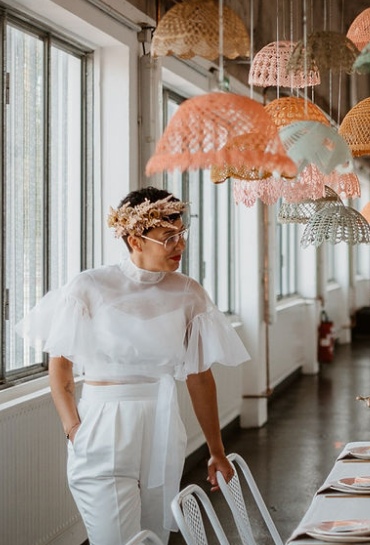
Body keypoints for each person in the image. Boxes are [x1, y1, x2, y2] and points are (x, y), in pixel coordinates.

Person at [16, 187, 250, 545]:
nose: (180, 246)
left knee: (152, 536)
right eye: (168, 237)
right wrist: (73, 429)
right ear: (133, 238)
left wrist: (216, 452)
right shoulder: (89, 286)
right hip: (101, 424)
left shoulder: (189, 293)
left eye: (181, 234)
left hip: (162, 425)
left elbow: (200, 378)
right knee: (116, 539)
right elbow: (60, 367)